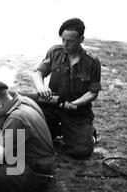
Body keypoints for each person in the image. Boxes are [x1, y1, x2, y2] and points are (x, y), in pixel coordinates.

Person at [31, 18, 101, 159]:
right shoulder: (54, 52)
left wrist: (76, 103)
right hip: (52, 106)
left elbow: (93, 92)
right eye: (63, 39)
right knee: (32, 135)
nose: (65, 44)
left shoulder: (92, 62)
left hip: (77, 112)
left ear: (81, 39)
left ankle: (88, 133)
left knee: (80, 152)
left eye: (70, 41)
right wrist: (41, 87)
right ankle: (58, 130)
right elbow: (38, 73)